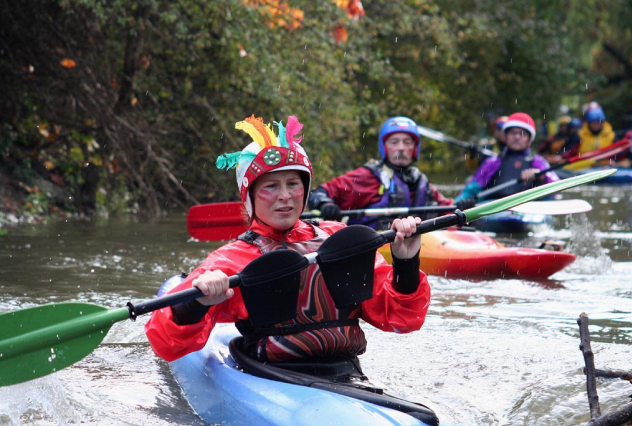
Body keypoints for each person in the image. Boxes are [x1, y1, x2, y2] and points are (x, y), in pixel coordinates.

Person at [145, 114, 431, 364]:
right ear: (250, 198)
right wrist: (197, 303)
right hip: (270, 375)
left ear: (305, 191)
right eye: (271, 186)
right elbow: (166, 344)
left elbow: (403, 319)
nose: (285, 196)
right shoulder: (231, 259)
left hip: (344, 372)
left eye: (293, 183)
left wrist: (406, 262)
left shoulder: (340, 239)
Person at [307, 116, 469, 230]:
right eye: (394, 142)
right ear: (384, 147)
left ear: (414, 149)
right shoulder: (367, 176)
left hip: (419, 242)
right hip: (377, 242)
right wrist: (326, 205)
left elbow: (446, 209)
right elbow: (318, 193)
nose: (401, 147)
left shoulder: (420, 181)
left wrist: (462, 209)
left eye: (407, 142)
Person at [455, 112, 560, 201]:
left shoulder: (538, 162)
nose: (517, 137)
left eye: (522, 134)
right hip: (494, 210)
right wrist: (461, 202)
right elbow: (471, 190)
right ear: (505, 136)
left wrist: (542, 176)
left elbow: (557, 187)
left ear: (529, 140)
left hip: (528, 209)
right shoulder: (492, 162)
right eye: (513, 133)